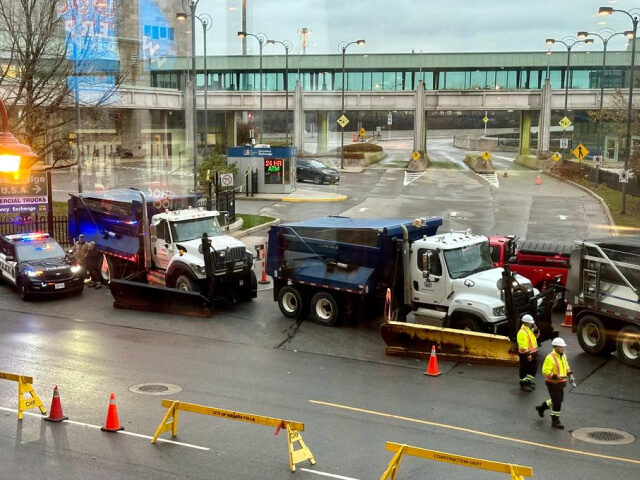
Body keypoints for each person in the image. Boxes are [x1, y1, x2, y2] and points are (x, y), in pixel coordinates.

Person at [536, 337, 575, 429]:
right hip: (552, 383)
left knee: (558, 400)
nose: (563, 348)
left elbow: (566, 366)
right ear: (556, 347)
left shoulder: (563, 355)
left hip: (561, 382)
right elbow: (545, 371)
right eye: (561, 347)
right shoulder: (550, 357)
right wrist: (555, 376)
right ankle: (555, 421)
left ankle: (542, 407)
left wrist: (570, 374)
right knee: (557, 402)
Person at [517, 314, 539, 392]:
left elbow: (535, 337)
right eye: (530, 322)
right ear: (525, 322)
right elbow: (523, 346)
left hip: (532, 354)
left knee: (532, 369)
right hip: (526, 355)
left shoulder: (529, 329)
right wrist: (528, 355)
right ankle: (523, 385)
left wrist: (536, 330)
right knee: (524, 370)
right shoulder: (522, 332)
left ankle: (527, 382)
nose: (532, 324)